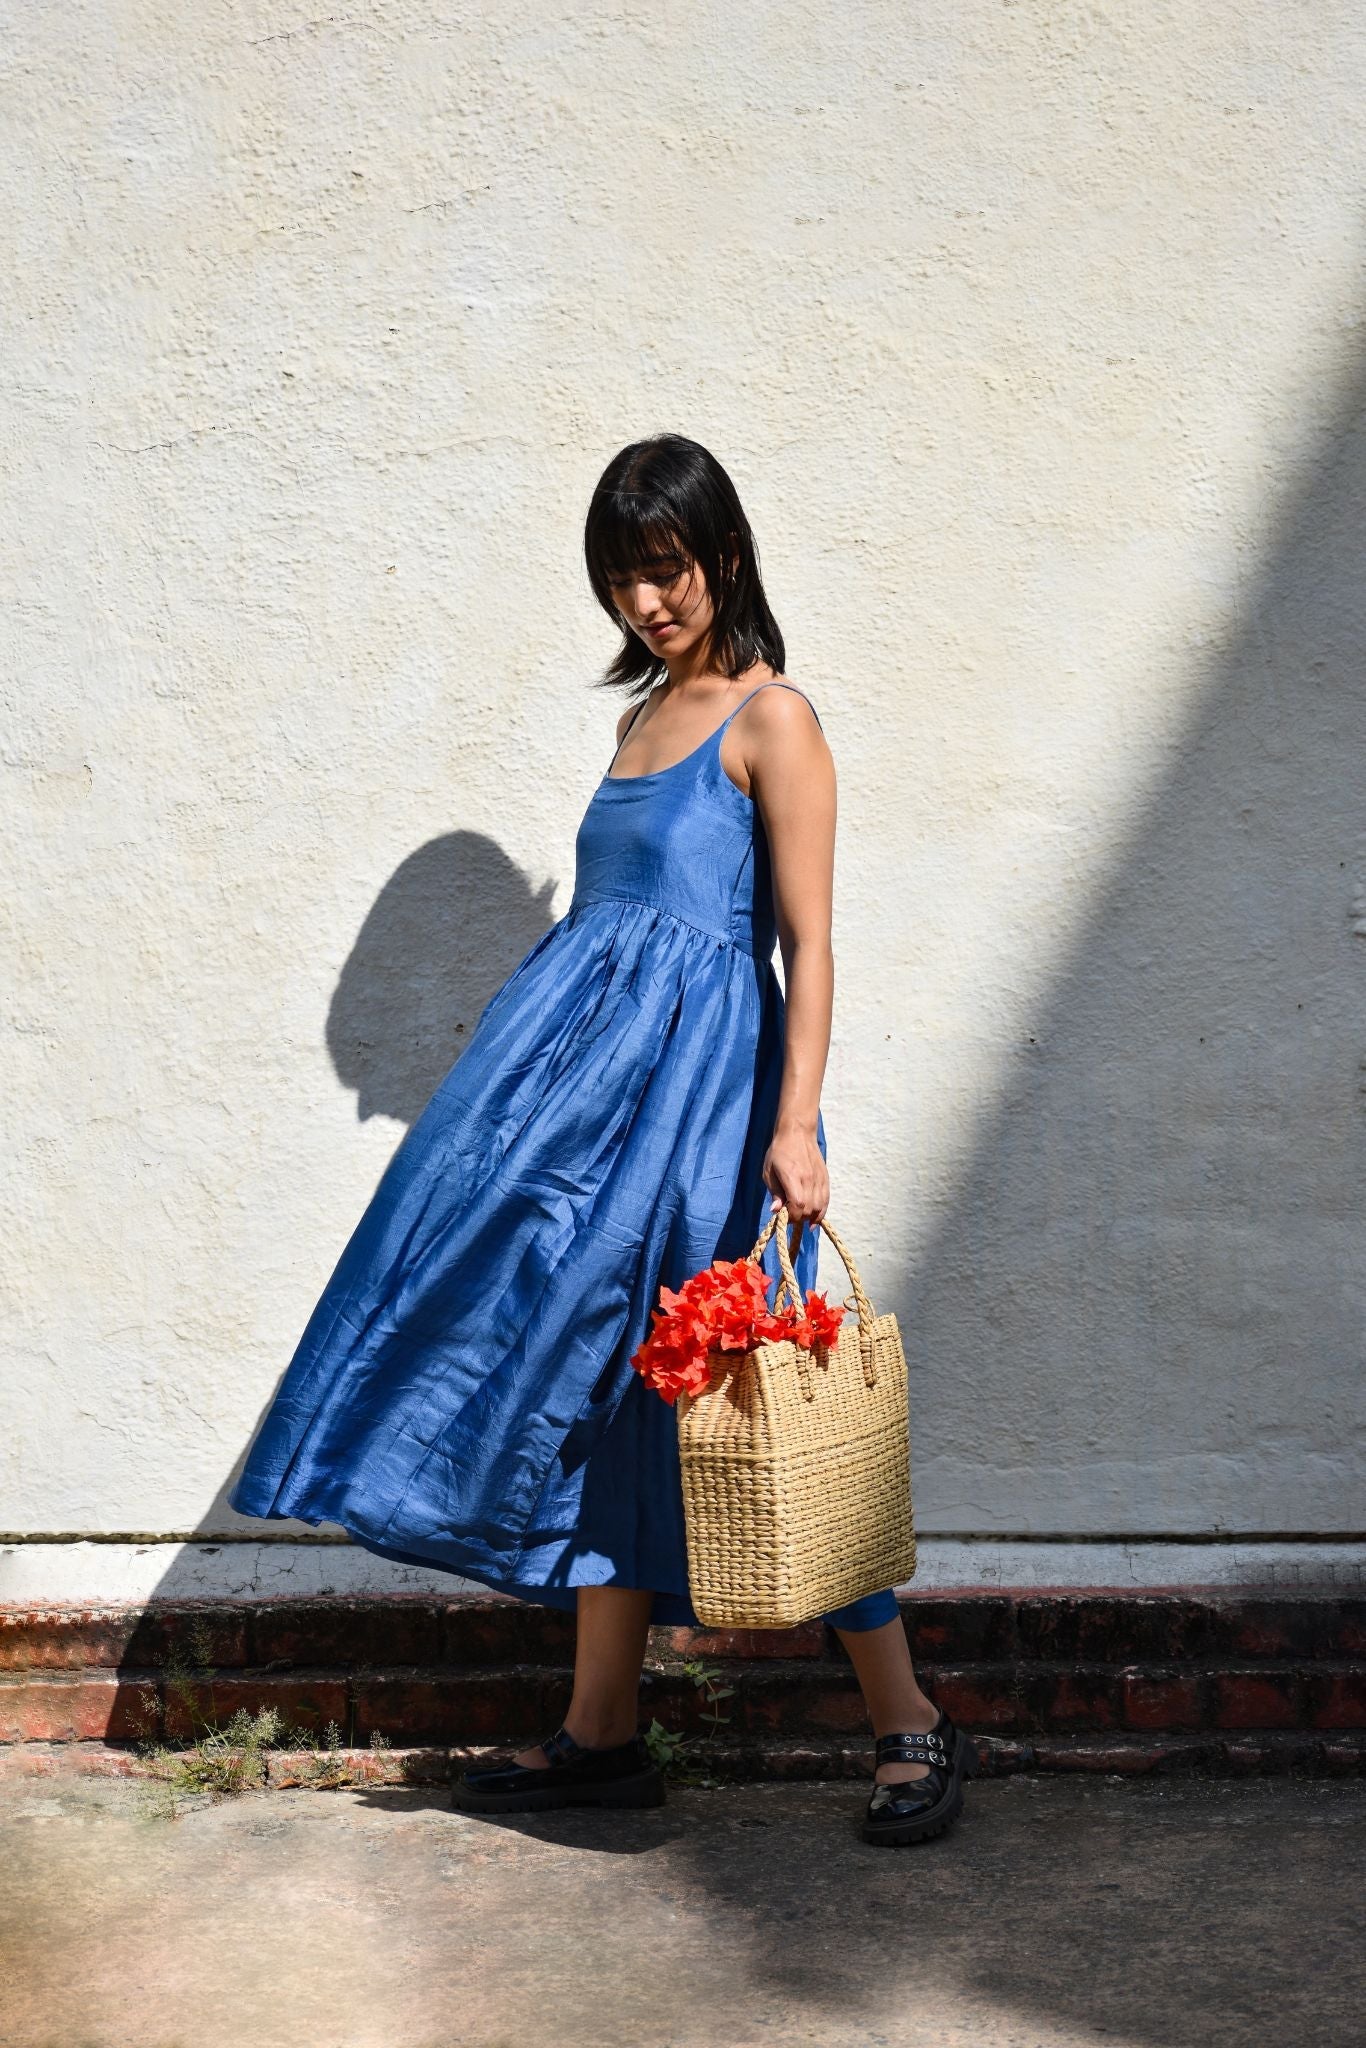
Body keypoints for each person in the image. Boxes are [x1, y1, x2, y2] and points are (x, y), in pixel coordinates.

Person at [228, 433, 974, 1847]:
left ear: (724, 556)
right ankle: (600, 1733)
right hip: (589, 1121)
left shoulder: (774, 723)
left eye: (667, 567)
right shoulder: (640, 727)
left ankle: (910, 1724)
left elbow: (807, 946)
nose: (647, 600)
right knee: (590, 1381)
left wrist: (798, 1124)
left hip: (705, 1115)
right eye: (624, 576)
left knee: (752, 1391)